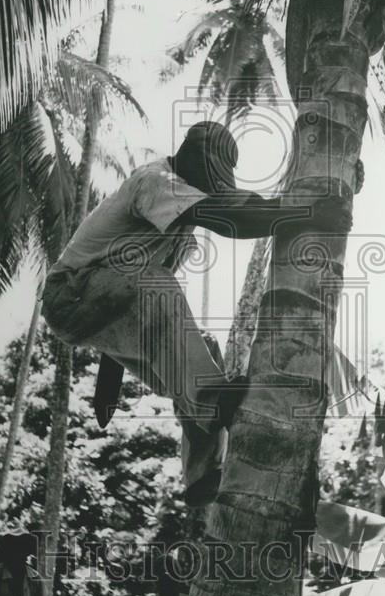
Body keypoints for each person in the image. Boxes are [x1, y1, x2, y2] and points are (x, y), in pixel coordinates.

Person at [42, 120, 355, 506]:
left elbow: (131, 304)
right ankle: (215, 401)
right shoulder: (155, 182)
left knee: (203, 351)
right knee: (169, 311)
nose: (208, 190)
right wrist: (307, 212)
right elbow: (229, 221)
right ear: (190, 161)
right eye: (209, 181)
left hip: (102, 306)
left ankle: (202, 474)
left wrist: (109, 383)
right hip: (69, 294)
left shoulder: (176, 232)